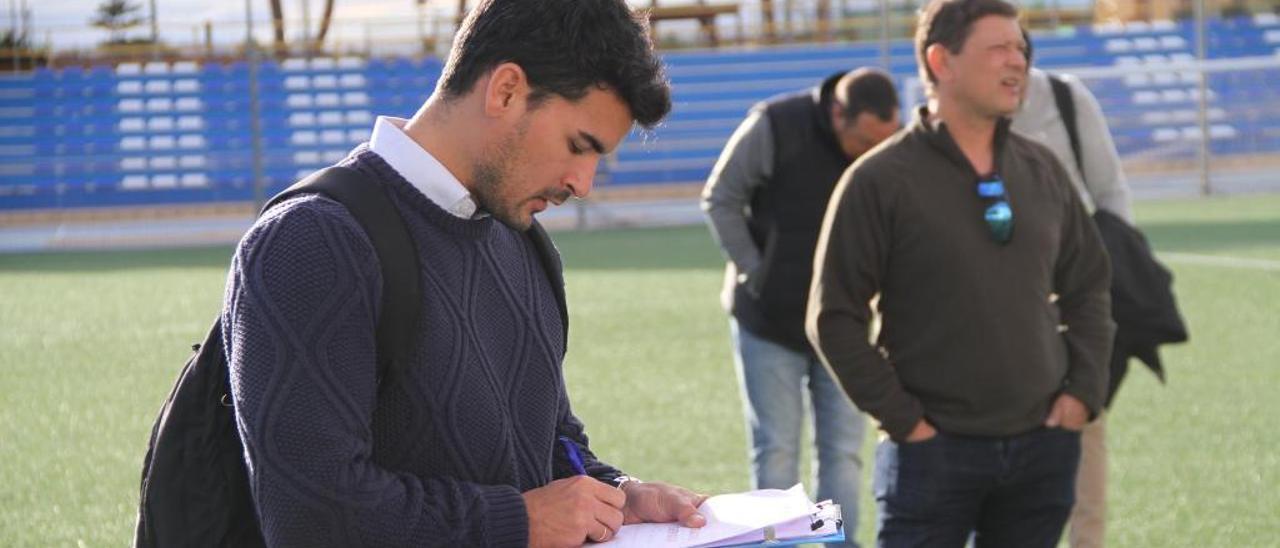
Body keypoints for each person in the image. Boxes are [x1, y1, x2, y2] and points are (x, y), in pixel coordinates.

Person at [220, 1, 706, 546]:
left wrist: (615, 492)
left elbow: (549, 446)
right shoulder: (312, 240)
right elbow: (309, 515)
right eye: (579, 146)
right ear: (505, 91)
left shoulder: (524, 242)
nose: (583, 183)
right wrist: (518, 521)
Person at [805, 0, 1115, 546]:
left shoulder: (1042, 169)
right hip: (931, 457)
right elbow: (833, 318)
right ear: (940, 61)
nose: (1016, 62)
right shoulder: (878, 180)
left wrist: (1080, 395)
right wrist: (908, 423)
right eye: (998, 47)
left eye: (1021, 48)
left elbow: (1088, 285)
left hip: (1043, 447)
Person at [701, 68, 900, 547]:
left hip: (845, 325)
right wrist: (758, 272)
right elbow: (720, 198)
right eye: (865, 142)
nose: (873, 156)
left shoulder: (887, 150)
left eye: (884, 143)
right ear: (837, 114)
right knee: (776, 454)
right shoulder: (773, 125)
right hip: (768, 322)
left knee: (844, 455)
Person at [1012, 43, 1135, 548]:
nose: (1006, 63)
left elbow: (1111, 191)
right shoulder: (949, 119)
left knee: (1085, 429)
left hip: (1073, 303)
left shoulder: (1064, 98)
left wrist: (1114, 278)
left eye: (1012, 47)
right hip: (992, 311)